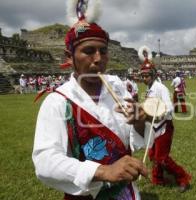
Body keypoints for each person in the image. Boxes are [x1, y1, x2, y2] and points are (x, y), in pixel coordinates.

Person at [32, 1, 151, 199]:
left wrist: (139, 122)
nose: (98, 59)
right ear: (69, 57)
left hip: (126, 192)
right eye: (88, 51)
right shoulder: (58, 101)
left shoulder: (119, 91)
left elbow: (132, 141)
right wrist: (104, 171)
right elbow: (45, 160)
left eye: (103, 51)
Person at [140, 54, 191, 193]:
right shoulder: (149, 89)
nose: (145, 79)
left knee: (161, 158)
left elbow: (169, 107)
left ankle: (183, 177)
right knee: (152, 155)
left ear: (154, 75)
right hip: (153, 127)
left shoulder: (160, 88)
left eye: (147, 76)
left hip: (164, 126)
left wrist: (158, 116)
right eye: (143, 76)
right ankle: (158, 179)